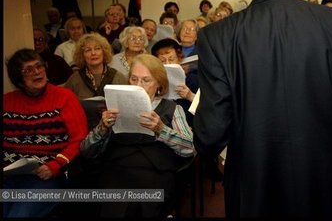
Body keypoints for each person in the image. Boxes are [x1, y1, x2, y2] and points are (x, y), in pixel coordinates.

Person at [193, 0, 332, 218]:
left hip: (253, 181)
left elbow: (210, 132)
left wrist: (212, 156)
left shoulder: (216, 36)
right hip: (322, 178)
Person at [80, 54, 194, 218]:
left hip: (155, 172)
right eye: (134, 79)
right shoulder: (115, 107)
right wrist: (102, 128)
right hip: (117, 170)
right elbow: (86, 150)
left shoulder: (171, 109)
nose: (139, 86)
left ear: (159, 85)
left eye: (146, 80)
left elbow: (190, 148)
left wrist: (162, 129)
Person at [3, 49, 88, 218]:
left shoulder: (64, 97)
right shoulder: (7, 101)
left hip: (46, 175)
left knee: (18, 215)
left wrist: (55, 165)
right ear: (17, 77)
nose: (37, 72)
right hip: (8, 175)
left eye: (39, 66)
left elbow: (79, 139)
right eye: (28, 70)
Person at [64, 33, 128, 100]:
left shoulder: (118, 77)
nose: (93, 53)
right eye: (88, 50)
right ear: (82, 55)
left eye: (97, 49)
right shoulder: (75, 79)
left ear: (104, 52)